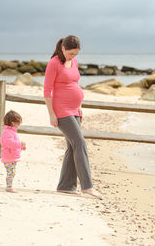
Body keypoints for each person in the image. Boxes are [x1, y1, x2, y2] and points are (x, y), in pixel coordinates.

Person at [44, 35, 102, 199]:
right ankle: (87, 186)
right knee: (80, 143)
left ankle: (66, 186)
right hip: (61, 110)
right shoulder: (54, 63)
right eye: (71, 54)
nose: (73, 57)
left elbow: (74, 84)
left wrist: (79, 106)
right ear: (63, 49)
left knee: (72, 146)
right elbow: (47, 91)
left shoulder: (74, 62)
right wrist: (51, 114)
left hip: (74, 109)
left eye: (76, 54)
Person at [0, 110, 26, 193]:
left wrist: (21, 147)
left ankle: (9, 186)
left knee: (12, 172)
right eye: (18, 123)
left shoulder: (11, 132)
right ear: (12, 123)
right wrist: (20, 144)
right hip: (8, 157)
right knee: (11, 173)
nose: (19, 126)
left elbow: (14, 145)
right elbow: (10, 143)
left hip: (12, 157)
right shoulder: (7, 132)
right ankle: (9, 187)